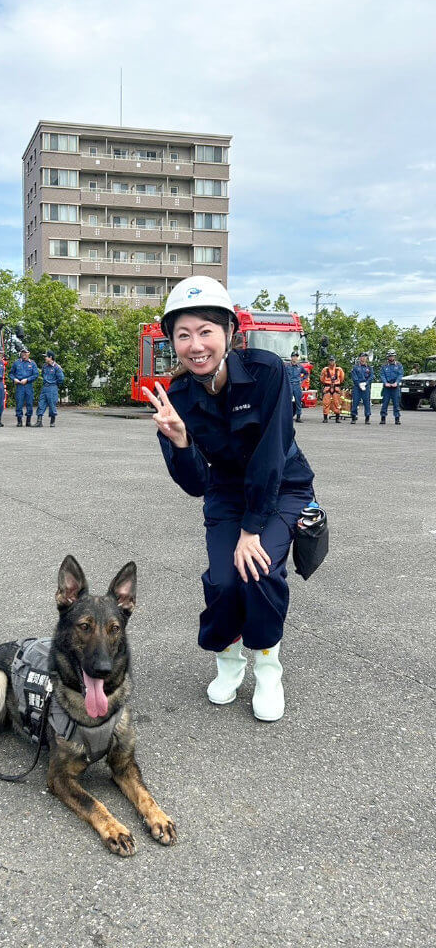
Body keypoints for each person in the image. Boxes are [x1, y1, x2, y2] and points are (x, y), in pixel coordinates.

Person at [142, 276, 315, 723]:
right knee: (223, 583)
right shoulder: (176, 396)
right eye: (183, 335)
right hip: (225, 495)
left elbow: (270, 458)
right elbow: (197, 484)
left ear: (229, 334)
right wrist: (179, 441)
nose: (195, 345)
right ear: (173, 342)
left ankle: (268, 668)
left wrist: (251, 529)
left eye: (205, 331)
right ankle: (229, 661)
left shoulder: (267, 372)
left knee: (257, 571)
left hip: (282, 489)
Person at [9, 348, 39, 427]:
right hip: (19, 385)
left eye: (25, 353)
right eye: (22, 352)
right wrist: (14, 379)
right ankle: (19, 421)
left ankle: (28, 421)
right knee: (19, 403)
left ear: (29, 353)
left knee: (29, 403)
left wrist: (27, 379)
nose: (24, 354)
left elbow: (36, 375)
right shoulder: (16, 363)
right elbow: (11, 373)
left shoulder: (32, 363)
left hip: (28, 385)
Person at [34, 351, 65, 427]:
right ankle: (39, 421)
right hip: (45, 387)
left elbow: (61, 379)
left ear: (50, 357)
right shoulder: (45, 366)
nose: (45, 358)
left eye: (46, 356)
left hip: (52, 387)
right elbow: (43, 374)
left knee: (52, 404)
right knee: (41, 403)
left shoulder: (57, 368)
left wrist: (53, 383)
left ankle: (52, 421)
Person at [380, 349, 403, 425]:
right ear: (387, 357)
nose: (391, 357)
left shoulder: (399, 365)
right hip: (387, 387)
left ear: (394, 356)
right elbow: (382, 375)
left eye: (392, 356)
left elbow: (400, 375)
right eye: (390, 356)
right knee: (385, 403)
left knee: (396, 403)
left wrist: (396, 382)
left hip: (395, 387)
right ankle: (383, 418)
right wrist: (385, 383)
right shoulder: (384, 365)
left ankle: (397, 419)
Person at [350, 352, 374, 425]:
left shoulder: (369, 367)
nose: (363, 358)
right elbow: (354, 376)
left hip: (366, 387)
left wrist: (366, 383)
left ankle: (367, 418)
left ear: (366, 358)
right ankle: (353, 417)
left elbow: (371, 377)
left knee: (367, 403)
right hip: (357, 386)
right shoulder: (355, 367)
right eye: (362, 357)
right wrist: (359, 384)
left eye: (365, 357)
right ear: (359, 358)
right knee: (355, 402)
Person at [320, 356, 345, 423]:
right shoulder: (325, 369)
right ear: (329, 361)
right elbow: (322, 379)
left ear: (335, 361)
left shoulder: (339, 369)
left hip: (336, 387)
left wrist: (337, 384)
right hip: (327, 387)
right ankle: (325, 418)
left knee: (337, 403)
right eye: (330, 360)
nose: (331, 362)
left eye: (332, 360)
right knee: (326, 403)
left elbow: (342, 378)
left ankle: (337, 418)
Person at [285, 350, 307, 423]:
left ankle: (298, 417)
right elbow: (282, 373)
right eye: (293, 356)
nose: (295, 358)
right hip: (289, 385)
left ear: (297, 358)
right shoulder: (287, 366)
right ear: (291, 358)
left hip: (297, 385)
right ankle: (287, 417)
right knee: (288, 402)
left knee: (298, 401)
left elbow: (306, 374)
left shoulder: (300, 367)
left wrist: (301, 379)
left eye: (296, 357)